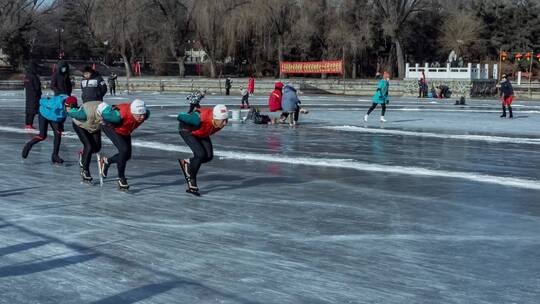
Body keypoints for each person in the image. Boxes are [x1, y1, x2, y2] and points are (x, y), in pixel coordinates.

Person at [97, 99, 150, 190]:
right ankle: (121, 178)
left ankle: (106, 161)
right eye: (139, 115)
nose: (142, 117)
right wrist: (103, 115)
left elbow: (142, 115)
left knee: (127, 156)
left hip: (125, 130)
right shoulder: (119, 115)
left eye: (143, 114)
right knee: (123, 150)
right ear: (133, 113)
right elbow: (103, 109)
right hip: (110, 128)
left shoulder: (146, 114)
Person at [177, 104, 229, 196]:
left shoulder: (220, 122)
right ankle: (192, 182)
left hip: (202, 132)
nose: (225, 123)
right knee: (200, 154)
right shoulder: (200, 118)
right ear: (215, 118)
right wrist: (189, 117)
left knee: (208, 156)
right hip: (187, 131)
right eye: (223, 120)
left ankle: (187, 164)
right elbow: (180, 116)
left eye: (226, 120)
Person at [21, 95, 76, 164]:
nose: (69, 110)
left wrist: (61, 123)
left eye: (71, 108)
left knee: (58, 134)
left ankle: (55, 156)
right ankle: (28, 145)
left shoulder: (71, 106)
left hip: (55, 118)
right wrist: (45, 100)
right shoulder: (55, 103)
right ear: (65, 104)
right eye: (68, 108)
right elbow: (41, 101)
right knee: (42, 136)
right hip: (44, 114)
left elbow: (67, 115)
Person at [66, 97, 103, 182]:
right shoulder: (79, 114)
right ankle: (85, 171)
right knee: (89, 146)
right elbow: (72, 112)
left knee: (97, 148)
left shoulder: (100, 112)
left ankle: (83, 154)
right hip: (80, 126)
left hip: (93, 126)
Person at [23, 61, 42, 129]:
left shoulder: (26, 76)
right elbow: (37, 87)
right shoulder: (34, 76)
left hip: (28, 95)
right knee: (32, 110)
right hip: (34, 96)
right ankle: (30, 124)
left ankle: (27, 124)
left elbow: (25, 85)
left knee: (28, 110)